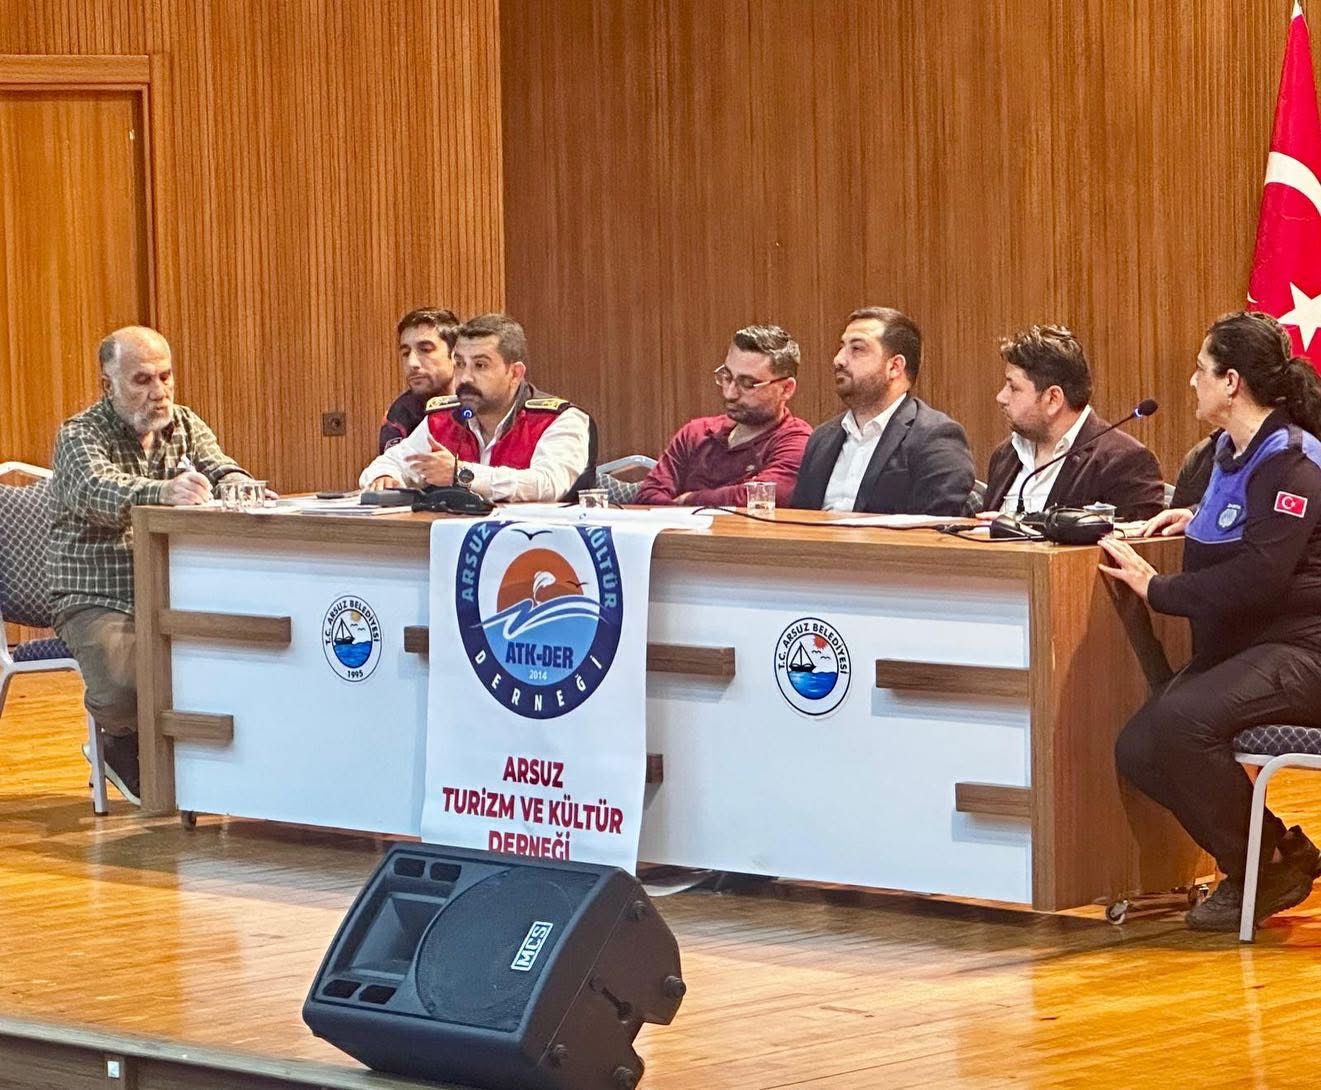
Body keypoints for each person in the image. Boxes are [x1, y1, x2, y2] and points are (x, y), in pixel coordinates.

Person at [1099, 311, 1321, 931]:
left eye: (1201, 370)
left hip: (1304, 652)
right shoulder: (1227, 452)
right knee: (1138, 748)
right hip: (1250, 649)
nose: (1191, 381)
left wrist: (1158, 588)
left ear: (1231, 382)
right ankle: (1279, 853)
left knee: (1180, 723)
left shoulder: (1294, 461)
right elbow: (1242, 524)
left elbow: (1260, 576)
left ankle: (1258, 871)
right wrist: (1194, 517)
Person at [49, 327, 255, 805]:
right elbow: (97, 491)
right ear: (108, 385)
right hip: (98, 593)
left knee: (238, 657)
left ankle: (207, 763)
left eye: (165, 376)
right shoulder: (78, 435)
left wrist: (237, 482)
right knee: (127, 687)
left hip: (175, 588)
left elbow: (220, 465)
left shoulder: (184, 424)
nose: (159, 392)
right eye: (142, 380)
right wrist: (163, 492)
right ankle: (120, 742)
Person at [358, 313, 592, 501]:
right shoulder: (444, 418)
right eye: (460, 364)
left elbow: (548, 484)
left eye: (480, 365)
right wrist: (384, 476)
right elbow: (391, 462)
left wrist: (461, 474)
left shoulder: (560, 419)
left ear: (515, 373)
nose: (465, 377)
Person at [789, 307, 973, 514]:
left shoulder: (935, 437)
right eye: (841, 347)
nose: (838, 359)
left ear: (894, 367)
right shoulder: (822, 438)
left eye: (857, 349)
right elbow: (798, 516)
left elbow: (936, 524)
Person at [982, 324, 1165, 518]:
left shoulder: (1125, 462)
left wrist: (1022, 526)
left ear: (1053, 399)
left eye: (1013, 388)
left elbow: (1137, 536)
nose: (1001, 397)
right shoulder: (1005, 455)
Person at [636, 324, 812, 506]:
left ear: (786, 389)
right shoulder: (695, 433)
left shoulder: (797, 441)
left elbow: (763, 497)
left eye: (748, 383)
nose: (730, 393)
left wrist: (688, 500)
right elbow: (647, 496)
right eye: (727, 377)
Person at [378, 307, 461, 453]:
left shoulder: (486, 406)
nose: (412, 363)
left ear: (456, 354)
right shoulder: (400, 414)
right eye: (406, 353)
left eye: (425, 350)